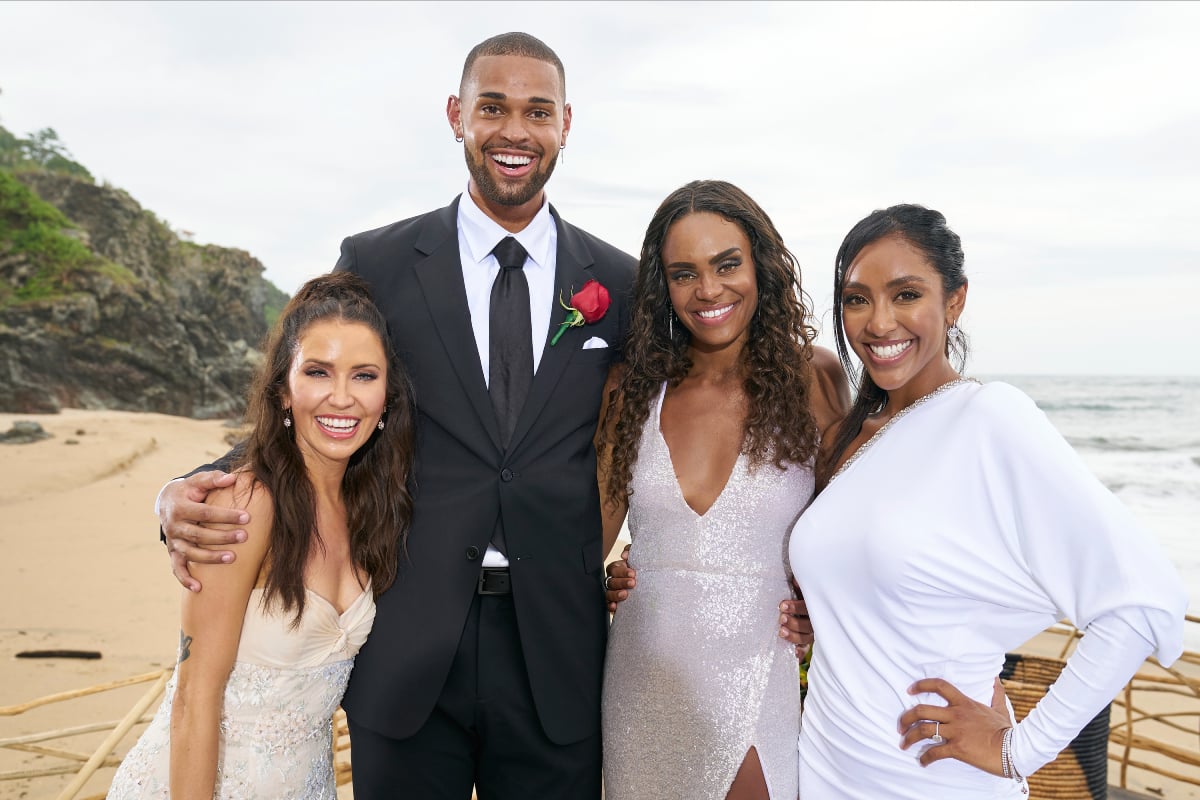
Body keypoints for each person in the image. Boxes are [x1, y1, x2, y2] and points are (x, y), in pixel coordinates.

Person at [155, 32, 637, 799]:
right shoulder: (377, 260)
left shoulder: (620, 281)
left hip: (559, 651)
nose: (515, 130)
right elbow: (317, 398)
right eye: (493, 108)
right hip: (408, 644)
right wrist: (189, 489)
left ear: (566, 124)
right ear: (457, 115)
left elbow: (659, 425)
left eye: (537, 112)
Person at [787, 203, 1187, 797]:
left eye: (906, 294)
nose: (878, 322)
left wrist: (1017, 749)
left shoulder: (989, 418)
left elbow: (1143, 602)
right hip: (824, 766)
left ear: (954, 302)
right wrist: (829, 613)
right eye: (857, 299)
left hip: (928, 780)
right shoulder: (857, 434)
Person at [109, 272, 415, 798]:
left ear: (387, 399)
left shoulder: (372, 509)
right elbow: (194, 699)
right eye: (318, 372)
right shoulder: (245, 505)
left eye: (364, 376)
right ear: (282, 392)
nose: (342, 398)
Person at [596, 180, 848, 800]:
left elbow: (845, 535)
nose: (708, 290)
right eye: (684, 273)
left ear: (760, 266)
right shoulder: (631, 388)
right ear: (663, 288)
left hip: (758, 671)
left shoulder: (812, 378)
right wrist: (605, 579)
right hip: (642, 675)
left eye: (726, 264)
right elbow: (587, 540)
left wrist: (823, 610)